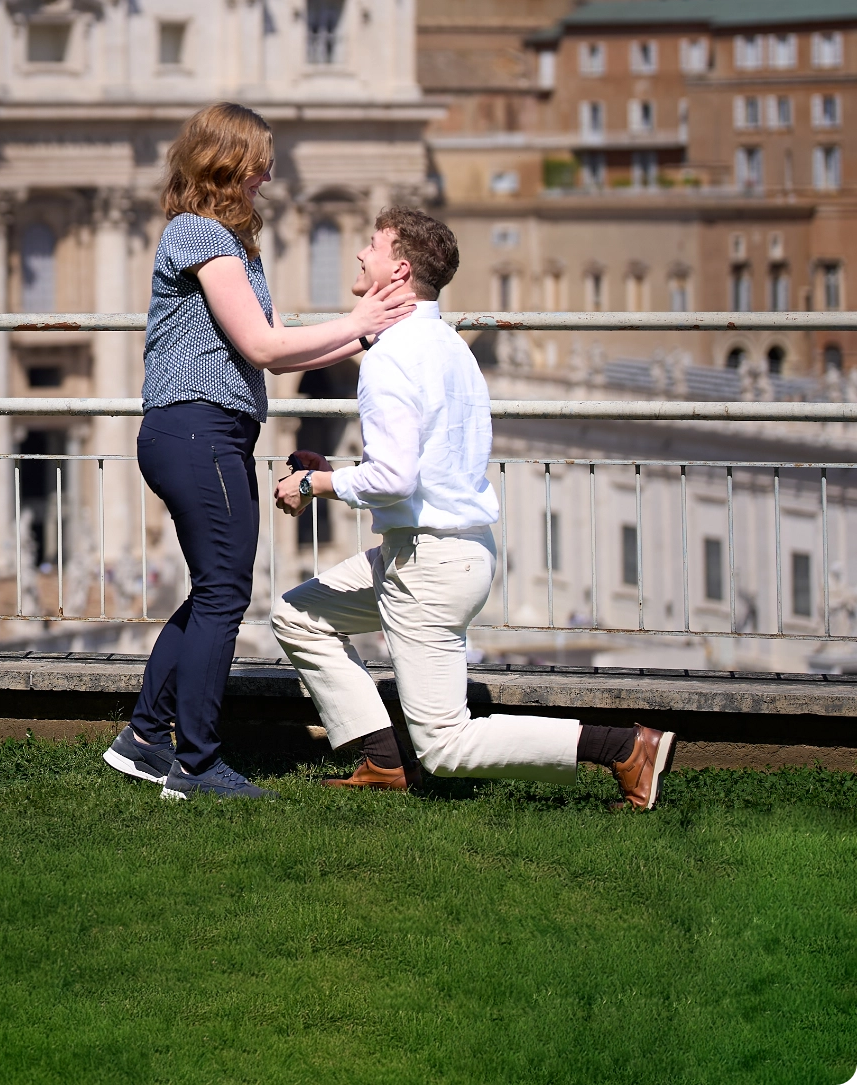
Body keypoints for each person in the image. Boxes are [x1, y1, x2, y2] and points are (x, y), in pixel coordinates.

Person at [271, 208, 676, 810]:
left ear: (399, 271)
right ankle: (382, 758)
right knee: (299, 618)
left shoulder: (389, 357)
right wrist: (333, 473)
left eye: (373, 246)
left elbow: (392, 477)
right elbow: (419, 469)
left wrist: (312, 487)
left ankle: (623, 747)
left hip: (428, 565)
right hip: (443, 551)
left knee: (445, 746)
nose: (360, 254)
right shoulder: (452, 348)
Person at [103, 104, 415, 801]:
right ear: (225, 161)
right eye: (259, 160)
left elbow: (275, 351)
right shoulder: (198, 234)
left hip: (211, 433)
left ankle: (146, 737)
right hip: (195, 429)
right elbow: (265, 347)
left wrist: (368, 334)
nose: (268, 174)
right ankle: (197, 763)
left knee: (215, 588)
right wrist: (361, 317)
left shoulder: (233, 246)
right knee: (224, 593)